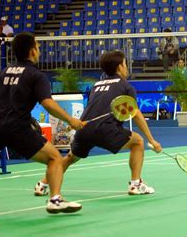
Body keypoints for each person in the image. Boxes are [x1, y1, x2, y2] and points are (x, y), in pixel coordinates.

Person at [34, 50, 162, 197]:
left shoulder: (97, 85)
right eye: (125, 64)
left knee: (70, 158)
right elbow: (136, 114)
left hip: (84, 129)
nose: (126, 68)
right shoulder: (126, 86)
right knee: (138, 142)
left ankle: (42, 184)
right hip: (105, 130)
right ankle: (136, 184)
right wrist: (152, 140)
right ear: (120, 67)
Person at [0, 32, 84, 214]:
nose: (39, 51)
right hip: (18, 129)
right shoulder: (36, 75)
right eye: (38, 47)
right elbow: (47, 103)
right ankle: (55, 199)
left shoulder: (3, 72)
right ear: (32, 51)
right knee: (55, 158)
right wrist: (71, 120)